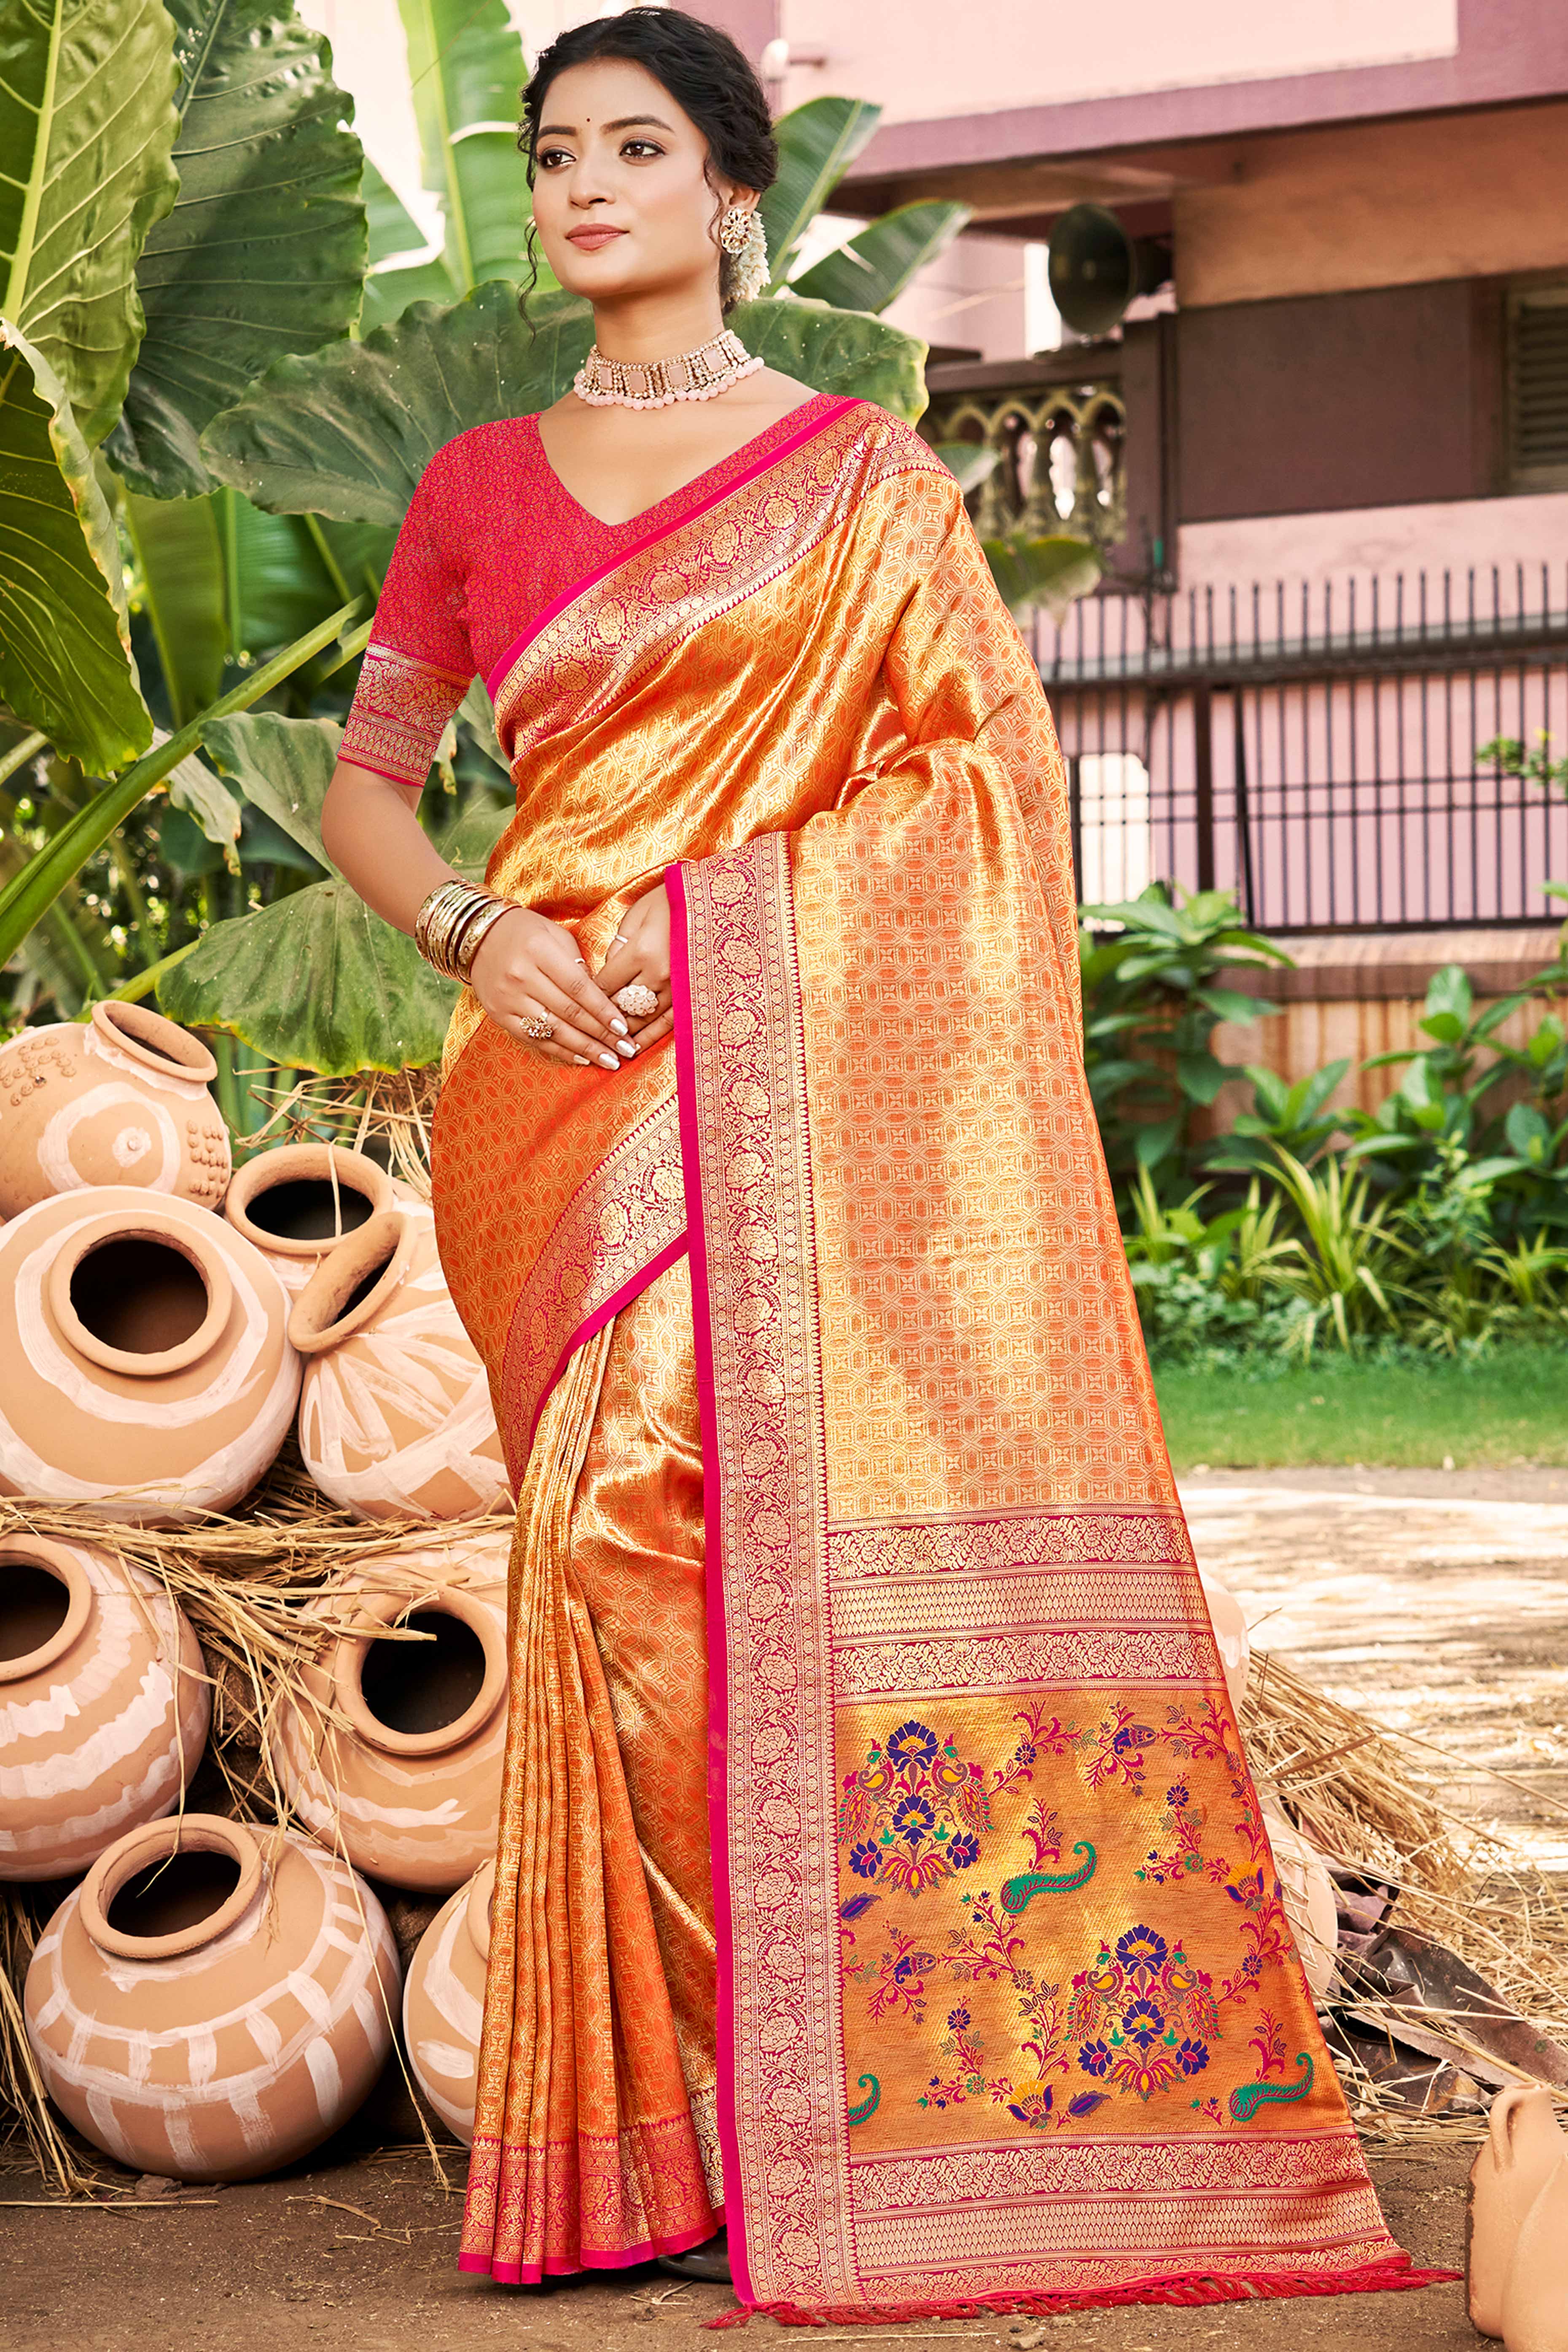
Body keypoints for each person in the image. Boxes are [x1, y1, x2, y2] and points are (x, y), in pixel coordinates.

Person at [320, 8, 1447, 2324]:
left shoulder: (864, 482)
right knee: (608, 1563)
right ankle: (683, 2132)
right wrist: (477, 926)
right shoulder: (472, 488)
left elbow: (979, 785)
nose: (581, 186)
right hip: (553, 1094)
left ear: (738, 192)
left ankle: (861, 2109)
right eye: (553, 154)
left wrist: (735, 940)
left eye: (636, 146)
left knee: (729, 1535)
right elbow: (373, 786)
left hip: (784, 1073)